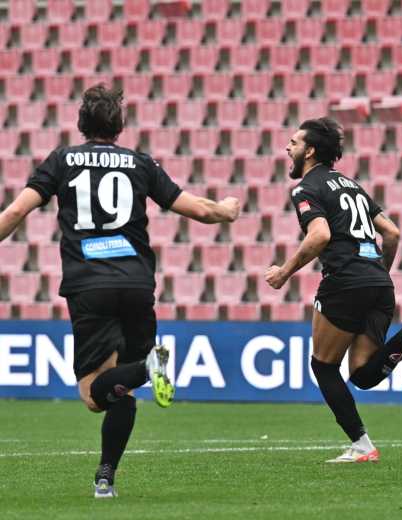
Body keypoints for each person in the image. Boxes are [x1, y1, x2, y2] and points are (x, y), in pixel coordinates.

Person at [0, 85, 240, 497]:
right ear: (119, 126)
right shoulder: (140, 163)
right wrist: (226, 210)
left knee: (93, 396)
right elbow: (198, 209)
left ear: (81, 123)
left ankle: (149, 368)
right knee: (118, 388)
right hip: (136, 282)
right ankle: (105, 477)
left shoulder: (62, 159)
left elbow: (18, 209)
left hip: (89, 285)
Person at [265, 117, 402, 463]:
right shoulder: (351, 186)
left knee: (323, 367)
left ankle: (362, 446)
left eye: (294, 142)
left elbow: (320, 235)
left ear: (310, 151)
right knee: (362, 374)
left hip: (345, 282)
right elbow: (392, 233)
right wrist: (376, 274)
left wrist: (284, 272)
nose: (288, 148)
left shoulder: (306, 188)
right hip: (378, 282)